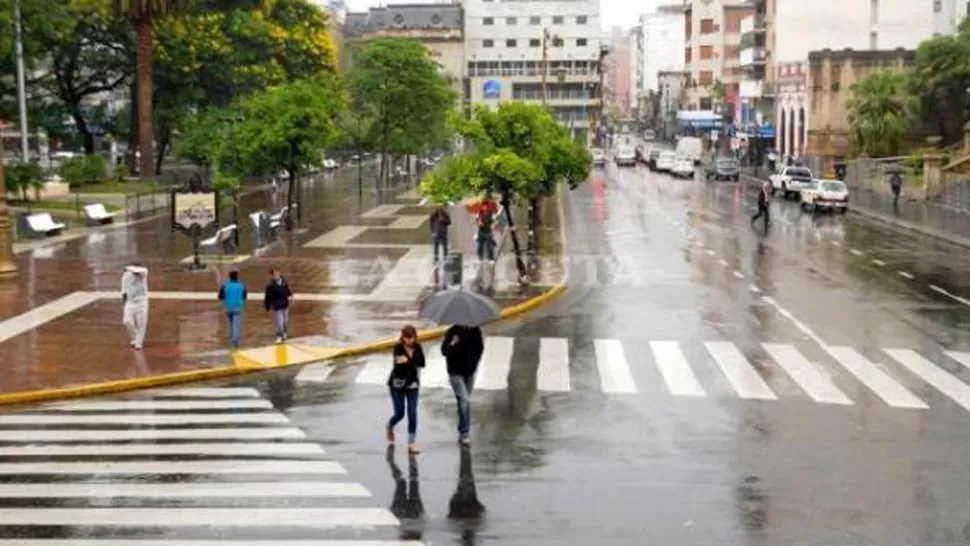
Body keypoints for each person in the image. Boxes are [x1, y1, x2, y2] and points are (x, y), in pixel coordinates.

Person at [441, 325, 484, 445]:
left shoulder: (475, 330)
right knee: (465, 401)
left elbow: (480, 348)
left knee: (463, 402)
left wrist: (474, 364)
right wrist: (453, 343)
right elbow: (444, 351)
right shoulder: (452, 332)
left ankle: (462, 432)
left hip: (470, 372)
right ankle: (465, 433)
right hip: (455, 373)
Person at [387, 325, 425, 454]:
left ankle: (412, 443)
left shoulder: (418, 347)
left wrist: (407, 361)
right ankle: (390, 425)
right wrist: (410, 362)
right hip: (397, 386)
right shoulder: (398, 348)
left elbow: (422, 363)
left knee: (412, 413)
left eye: (411, 338)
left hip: (413, 386)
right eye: (406, 338)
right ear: (402, 337)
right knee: (400, 414)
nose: (409, 340)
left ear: (415, 337)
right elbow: (398, 367)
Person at [121, 263, 149, 350]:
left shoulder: (143, 272)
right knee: (127, 321)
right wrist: (124, 301)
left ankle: (138, 343)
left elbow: (140, 271)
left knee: (141, 323)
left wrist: (130, 268)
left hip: (142, 302)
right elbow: (124, 289)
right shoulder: (126, 276)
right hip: (130, 301)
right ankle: (135, 337)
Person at [218, 269, 247, 348]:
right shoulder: (241, 286)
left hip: (228, 308)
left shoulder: (225, 286)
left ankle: (231, 340)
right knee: (236, 325)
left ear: (229, 277)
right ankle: (235, 341)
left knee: (230, 324)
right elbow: (244, 296)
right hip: (237, 307)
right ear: (237, 277)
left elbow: (220, 297)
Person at [264, 268, 293, 343]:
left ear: (280, 274)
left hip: (285, 305)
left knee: (285, 321)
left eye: (277, 273)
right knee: (280, 322)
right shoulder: (270, 286)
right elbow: (267, 297)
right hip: (277, 306)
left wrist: (291, 296)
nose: (276, 275)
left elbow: (288, 292)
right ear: (272, 276)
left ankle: (284, 333)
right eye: (274, 274)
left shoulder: (284, 283)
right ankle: (279, 335)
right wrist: (267, 306)